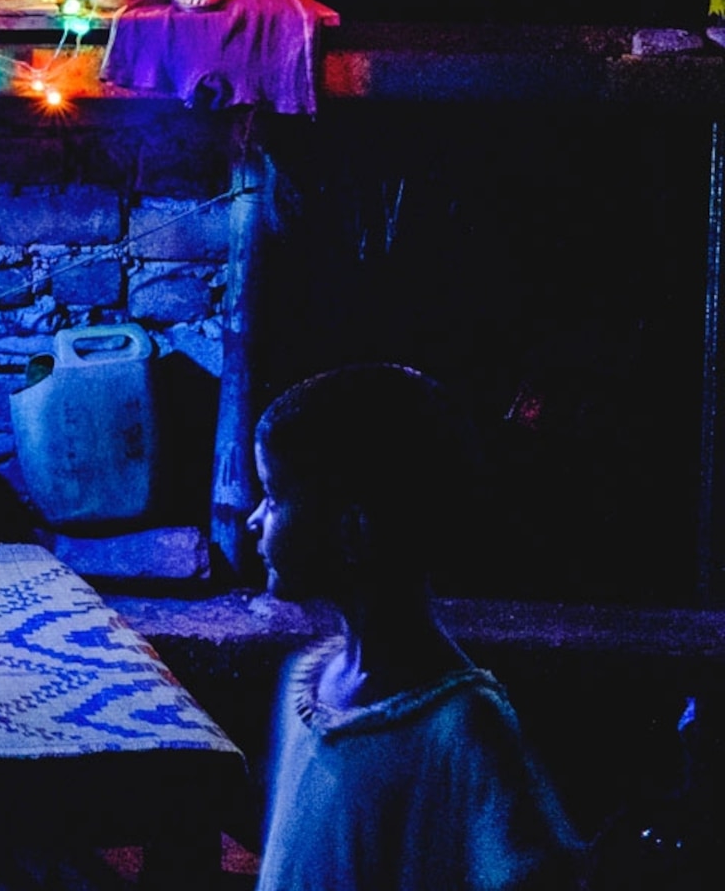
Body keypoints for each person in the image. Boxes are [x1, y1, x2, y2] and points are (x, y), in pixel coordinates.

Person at [249, 364, 581, 891]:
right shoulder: (305, 685)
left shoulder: (463, 729)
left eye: (272, 495)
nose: (254, 519)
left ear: (352, 531)